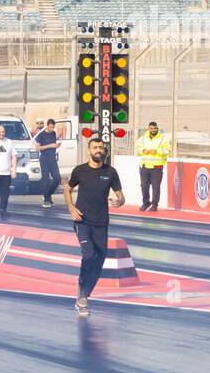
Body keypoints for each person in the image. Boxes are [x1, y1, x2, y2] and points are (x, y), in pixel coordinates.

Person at [63, 137, 125, 316]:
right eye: (95, 147)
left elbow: (121, 197)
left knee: (99, 260)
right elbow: (67, 189)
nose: (99, 150)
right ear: (89, 151)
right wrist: (71, 208)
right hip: (82, 221)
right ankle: (82, 295)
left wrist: (118, 201)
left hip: (101, 222)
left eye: (101, 147)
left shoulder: (110, 172)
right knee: (89, 256)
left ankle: (84, 294)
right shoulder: (80, 170)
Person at [135, 121, 171, 211]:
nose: (153, 130)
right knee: (144, 186)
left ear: (157, 128)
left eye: (155, 128)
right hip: (145, 166)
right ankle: (146, 202)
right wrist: (143, 150)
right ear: (148, 129)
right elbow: (137, 147)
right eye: (151, 128)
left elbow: (167, 150)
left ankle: (154, 205)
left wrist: (157, 151)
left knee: (156, 187)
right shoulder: (143, 138)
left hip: (157, 166)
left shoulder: (163, 139)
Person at [34, 118, 62, 209]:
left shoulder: (53, 133)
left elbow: (53, 145)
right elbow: (37, 148)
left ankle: (48, 194)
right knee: (45, 179)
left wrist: (56, 146)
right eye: (50, 127)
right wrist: (50, 145)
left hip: (53, 159)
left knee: (57, 178)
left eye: (53, 127)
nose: (52, 129)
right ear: (47, 125)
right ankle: (46, 200)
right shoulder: (41, 135)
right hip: (44, 160)